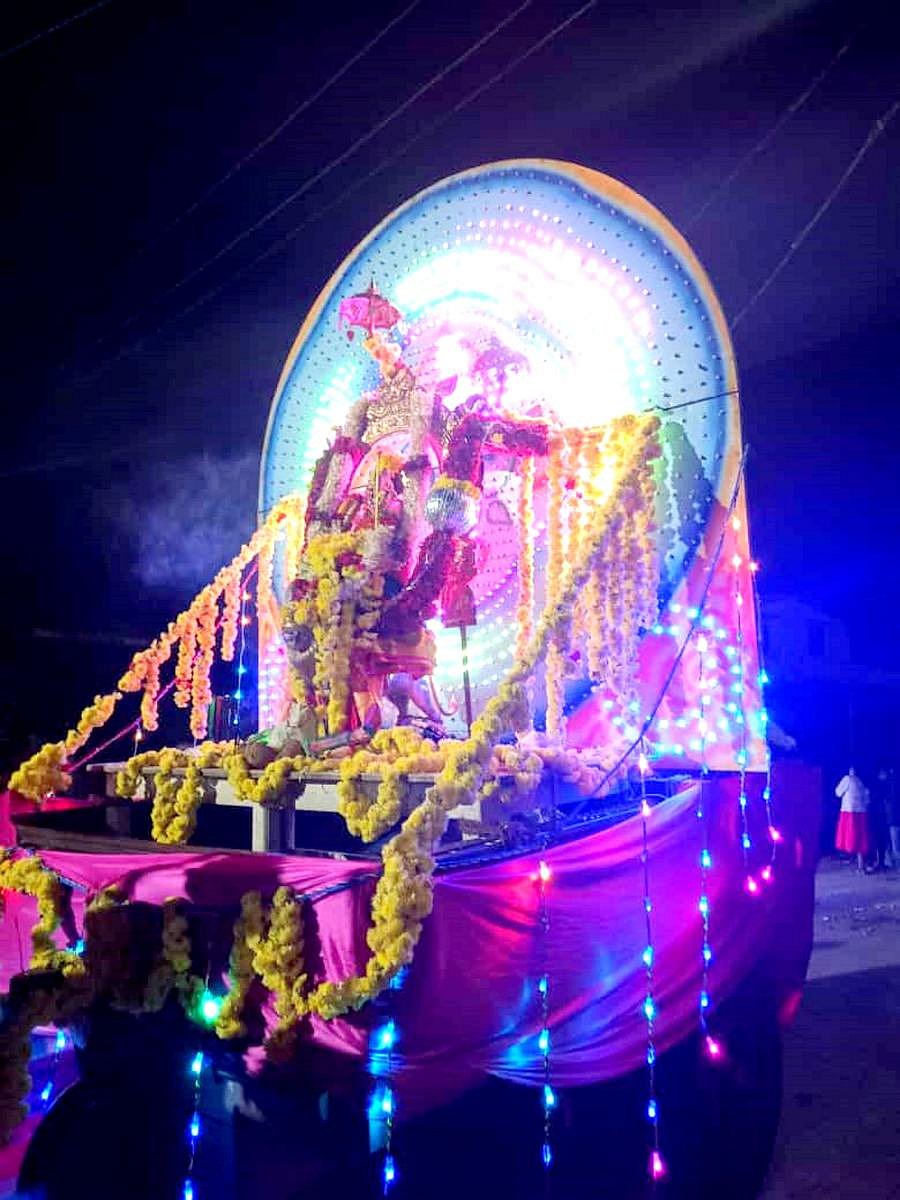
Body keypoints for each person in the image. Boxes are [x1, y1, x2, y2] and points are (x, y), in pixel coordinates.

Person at [834, 767, 871, 872]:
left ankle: (859, 864)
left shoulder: (847, 779)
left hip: (849, 812)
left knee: (851, 838)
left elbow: (837, 792)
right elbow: (867, 799)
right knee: (860, 839)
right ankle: (861, 865)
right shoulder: (860, 781)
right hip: (861, 813)